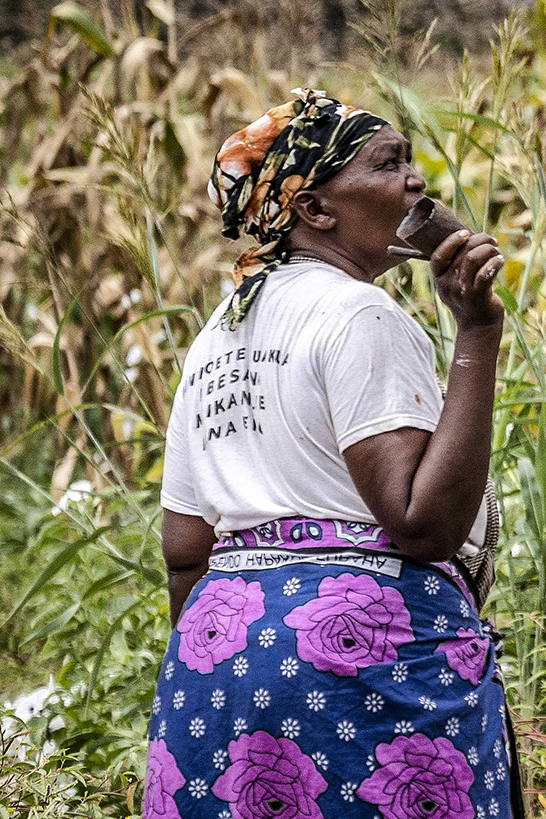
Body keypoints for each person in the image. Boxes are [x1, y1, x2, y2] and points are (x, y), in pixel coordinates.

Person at [147, 89, 517, 819]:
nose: (417, 181)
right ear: (315, 209)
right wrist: (477, 334)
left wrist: (238, 670)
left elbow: (186, 547)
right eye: (387, 164)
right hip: (361, 663)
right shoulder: (358, 312)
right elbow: (421, 524)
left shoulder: (218, 333)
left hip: (215, 661)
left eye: (412, 161)